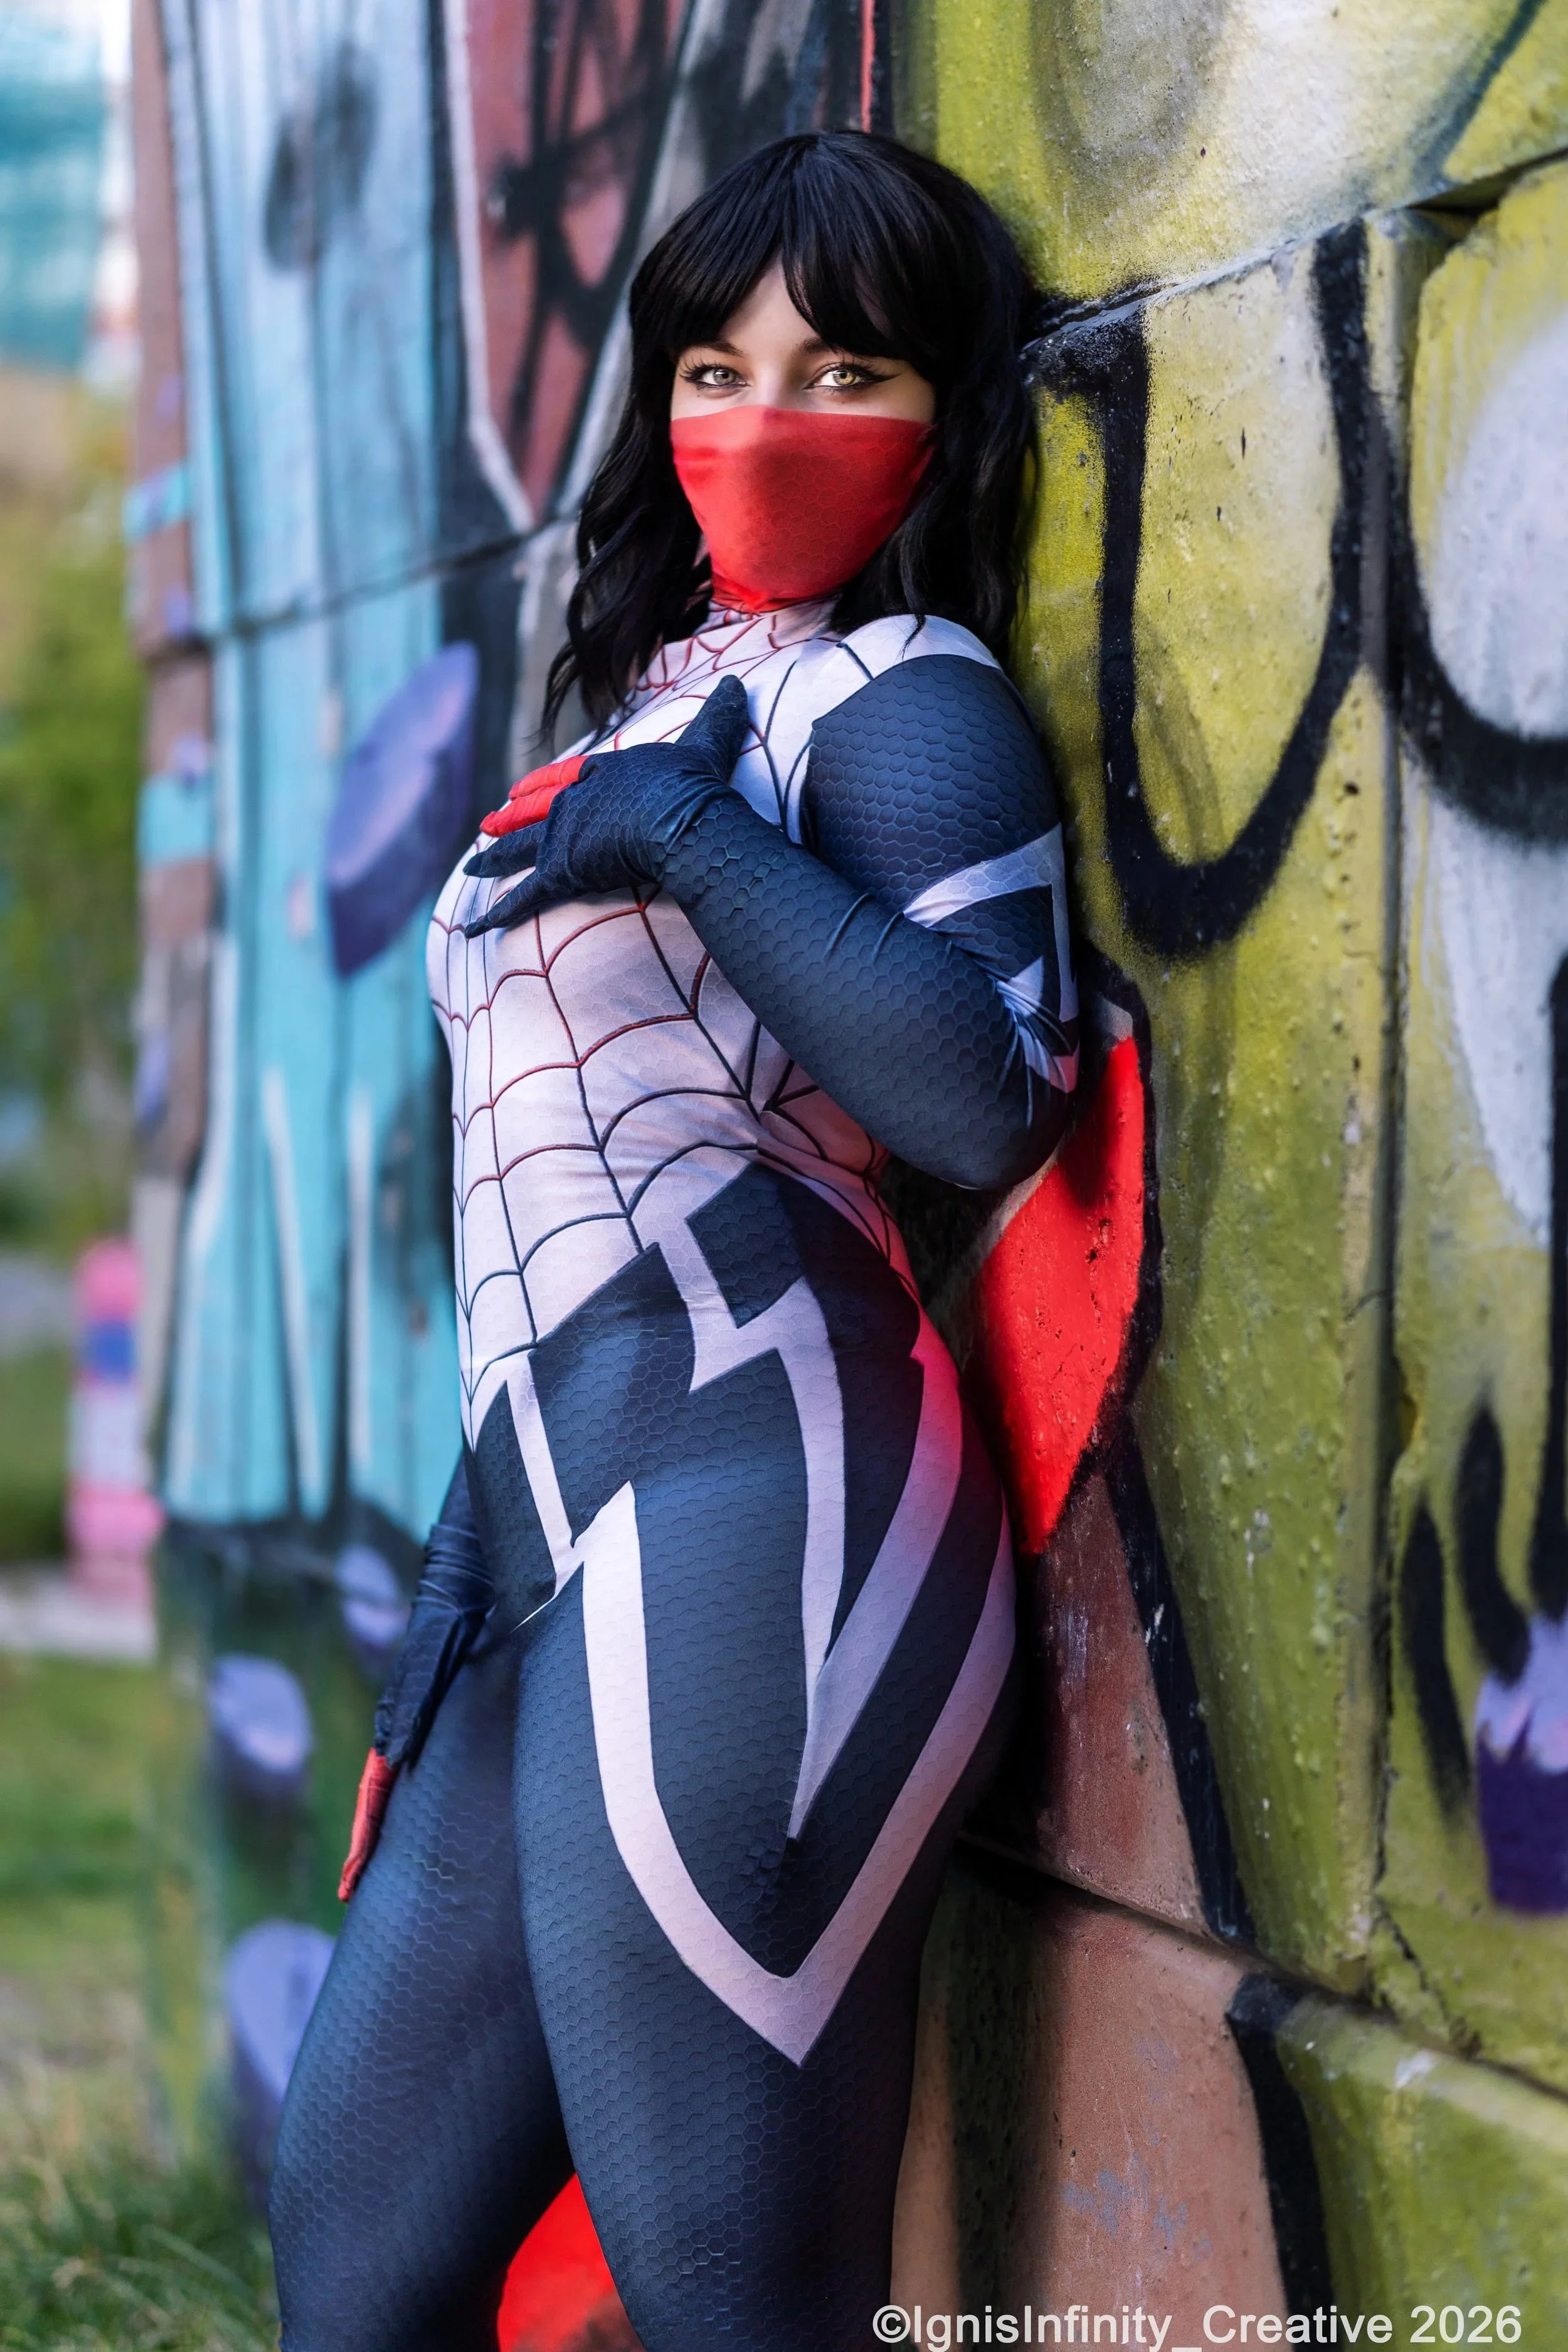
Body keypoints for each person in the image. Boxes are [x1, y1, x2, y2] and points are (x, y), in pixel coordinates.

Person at [270, 128, 1078, 2352]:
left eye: (837, 366)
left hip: (764, 1505)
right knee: (358, 2264)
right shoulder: (648, 701)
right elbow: (536, 1188)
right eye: (711, 361)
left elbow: (980, 1091)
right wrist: (457, 1566)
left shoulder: (898, 694)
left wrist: (686, 836)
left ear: (941, 405)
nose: (757, 414)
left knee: (733, 2295)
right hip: (550, 1533)